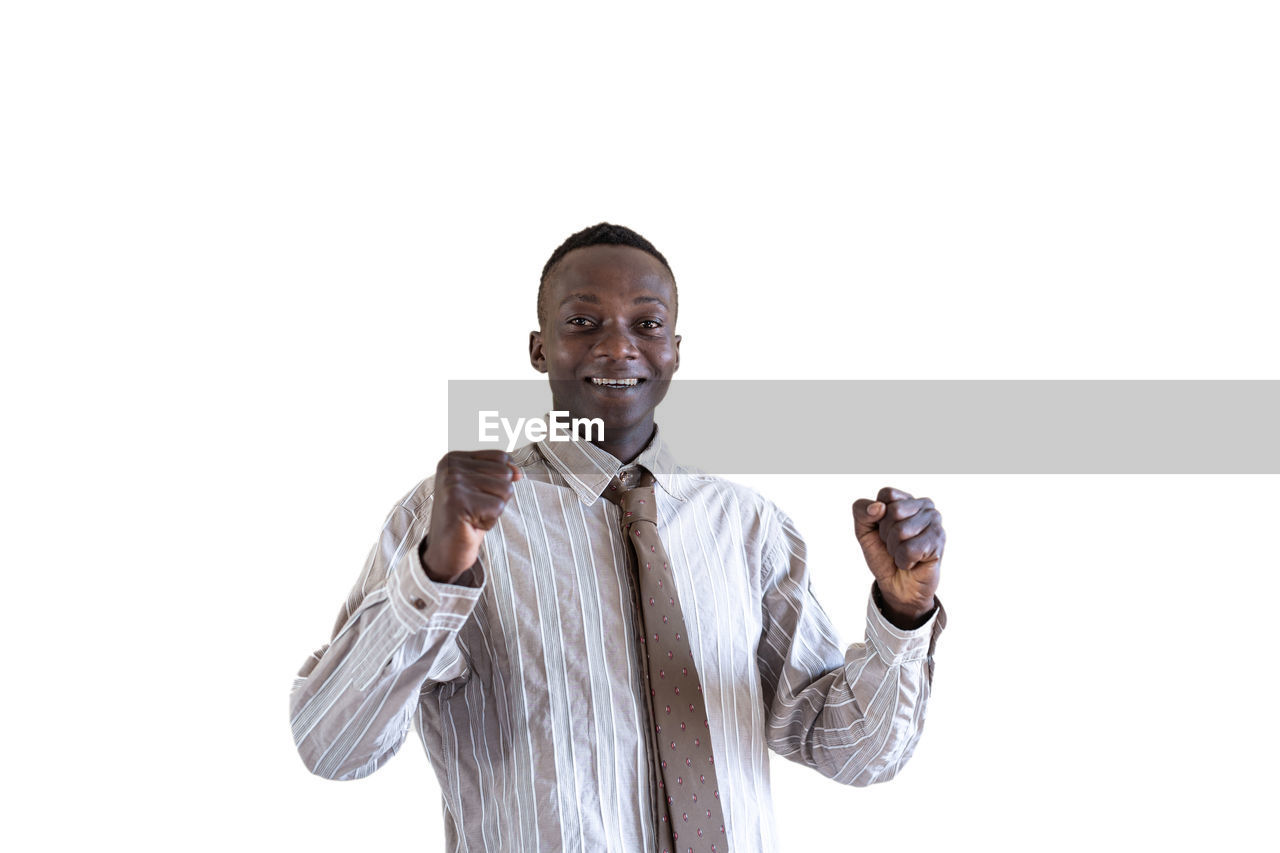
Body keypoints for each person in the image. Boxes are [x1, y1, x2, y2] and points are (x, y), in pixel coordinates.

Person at [289, 223, 947, 852]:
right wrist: (435, 574)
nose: (618, 345)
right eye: (583, 321)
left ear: (675, 350)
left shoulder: (749, 528)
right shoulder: (453, 518)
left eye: (646, 324)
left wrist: (902, 615)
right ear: (539, 346)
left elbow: (852, 751)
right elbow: (334, 746)